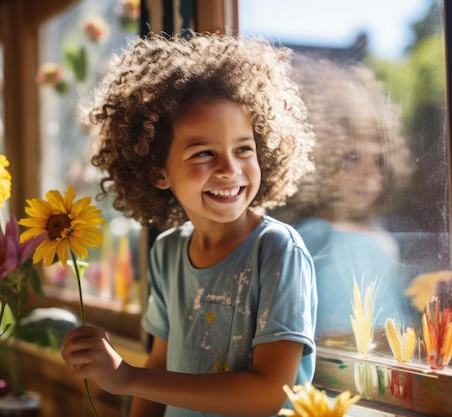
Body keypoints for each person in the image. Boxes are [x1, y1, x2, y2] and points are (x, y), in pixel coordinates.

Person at [61, 32, 318, 417]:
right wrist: (131, 379)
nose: (230, 169)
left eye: (243, 149)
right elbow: (160, 365)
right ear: (157, 171)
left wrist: (125, 377)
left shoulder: (278, 251)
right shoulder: (166, 253)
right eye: (203, 153)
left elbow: (269, 394)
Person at [270, 54, 415, 349]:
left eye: (378, 160)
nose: (370, 175)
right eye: (351, 159)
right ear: (315, 160)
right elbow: (331, 339)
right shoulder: (326, 240)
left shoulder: (370, 232)